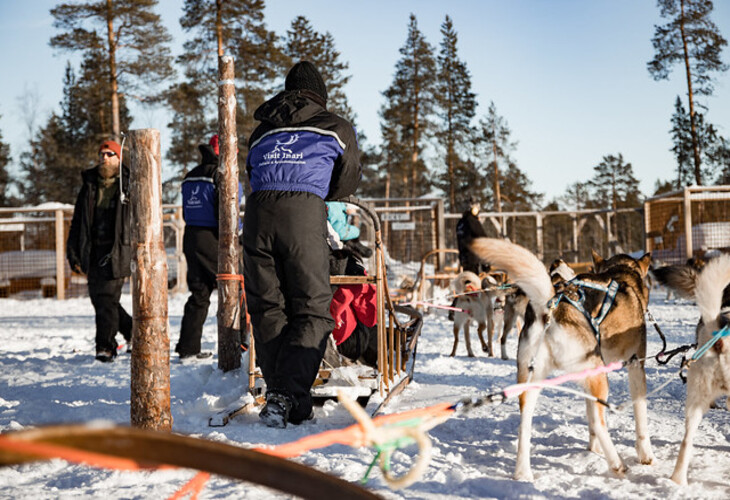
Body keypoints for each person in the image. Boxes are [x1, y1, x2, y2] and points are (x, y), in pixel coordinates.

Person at [244, 61, 361, 428]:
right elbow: (346, 182)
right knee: (312, 310)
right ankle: (286, 394)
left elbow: (251, 173)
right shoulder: (335, 126)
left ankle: (288, 402)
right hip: (302, 212)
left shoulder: (261, 131)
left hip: (257, 216)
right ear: (320, 95)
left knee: (268, 308)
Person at [67, 140, 132, 362]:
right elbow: (78, 222)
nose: (104, 158)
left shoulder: (128, 184)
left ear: (118, 158)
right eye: (102, 154)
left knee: (107, 298)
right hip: (93, 250)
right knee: (101, 300)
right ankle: (133, 331)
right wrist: (73, 252)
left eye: (109, 154)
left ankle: (105, 347)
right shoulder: (89, 185)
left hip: (117, 249)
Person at [175, 135, 222, 360]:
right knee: (235, 289)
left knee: (199, 293)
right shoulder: (220, 174)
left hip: (191, 236)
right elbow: (225, 212)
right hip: (213, 237)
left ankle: (188, 348)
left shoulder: (190, 175)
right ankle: (241, 347)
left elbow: (187, 209)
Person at [456, 196, 489, 274]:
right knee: (473, 278)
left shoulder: (461, 223)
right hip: (473, 257)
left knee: (468, 277)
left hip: (465, 257)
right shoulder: (471, 221)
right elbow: (482, 237)